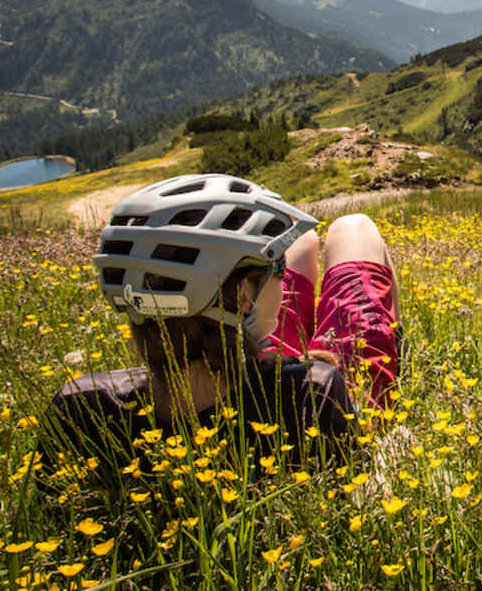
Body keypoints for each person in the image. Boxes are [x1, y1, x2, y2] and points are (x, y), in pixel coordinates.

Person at [39, 173, 401, 486]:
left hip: (240, 349)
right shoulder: (314, 393)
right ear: (244, 295)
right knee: (354, 227)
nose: (283, 274)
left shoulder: (79, 408)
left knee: (302, 243)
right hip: (300, 381)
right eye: (276, 268)